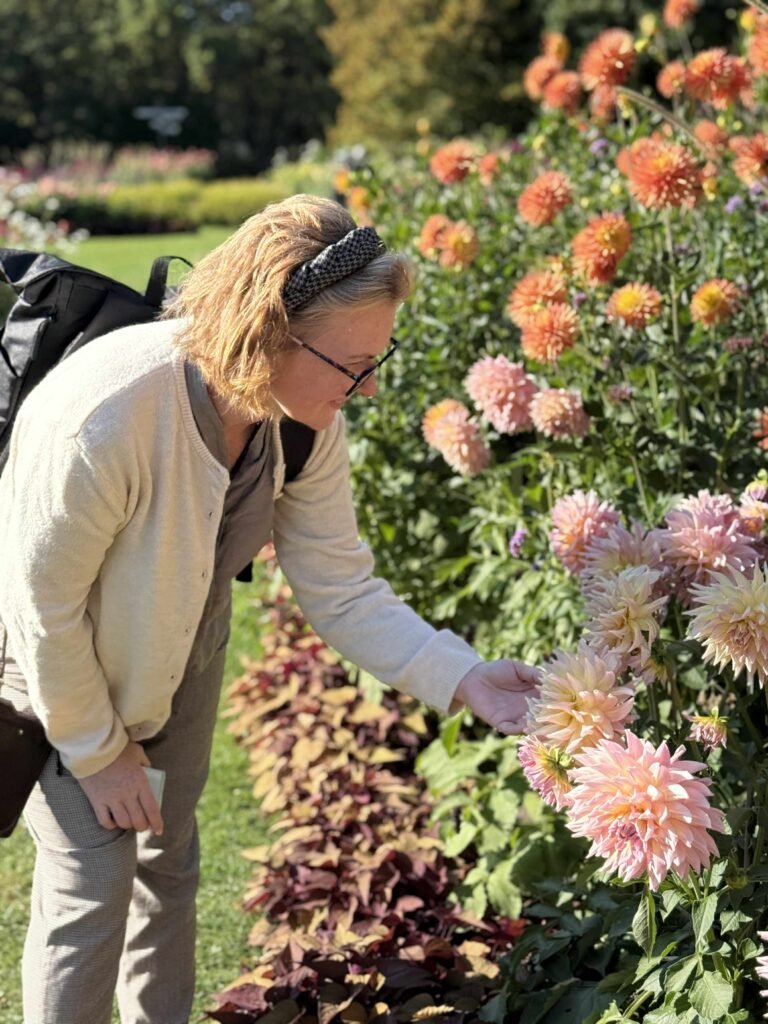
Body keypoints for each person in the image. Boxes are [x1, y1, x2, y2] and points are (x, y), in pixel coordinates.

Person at [0, 194, 539, 1024]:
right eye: (352, 365)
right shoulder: (105, 419)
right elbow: (42, 604)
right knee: (93, 884)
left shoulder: (301, 419)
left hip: (185, 652)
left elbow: (341, 584)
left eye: (375, 363)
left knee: (169, 865)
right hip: (58, 667)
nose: (361, 389)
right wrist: (99, 751)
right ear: (271, 334)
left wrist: (464, 678)